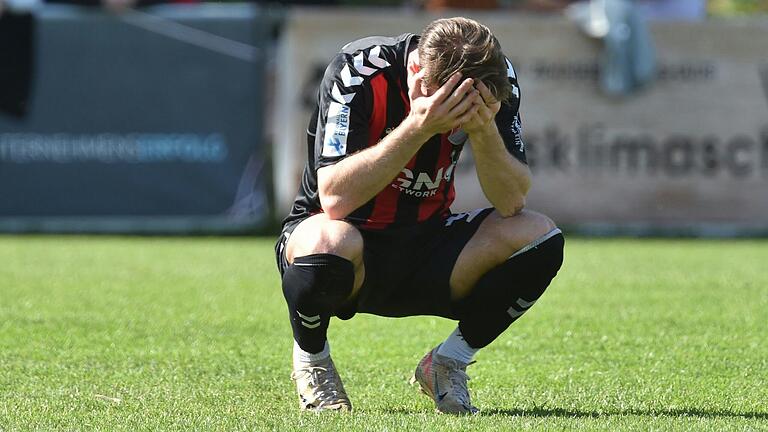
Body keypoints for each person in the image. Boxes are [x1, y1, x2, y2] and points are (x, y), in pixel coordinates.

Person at [275, 16, 564, 415]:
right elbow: (335, 199)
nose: (458, 111)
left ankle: (448, 363)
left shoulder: (496, 77)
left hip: (427, 242)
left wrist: (482, 131)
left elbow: (511, 201)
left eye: (467, 104)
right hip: (345, 244)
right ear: (415, 71)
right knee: (329, 240)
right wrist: (419, 125)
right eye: (448, 99)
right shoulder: (360, 68)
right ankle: (313, 364)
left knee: (539, 237)